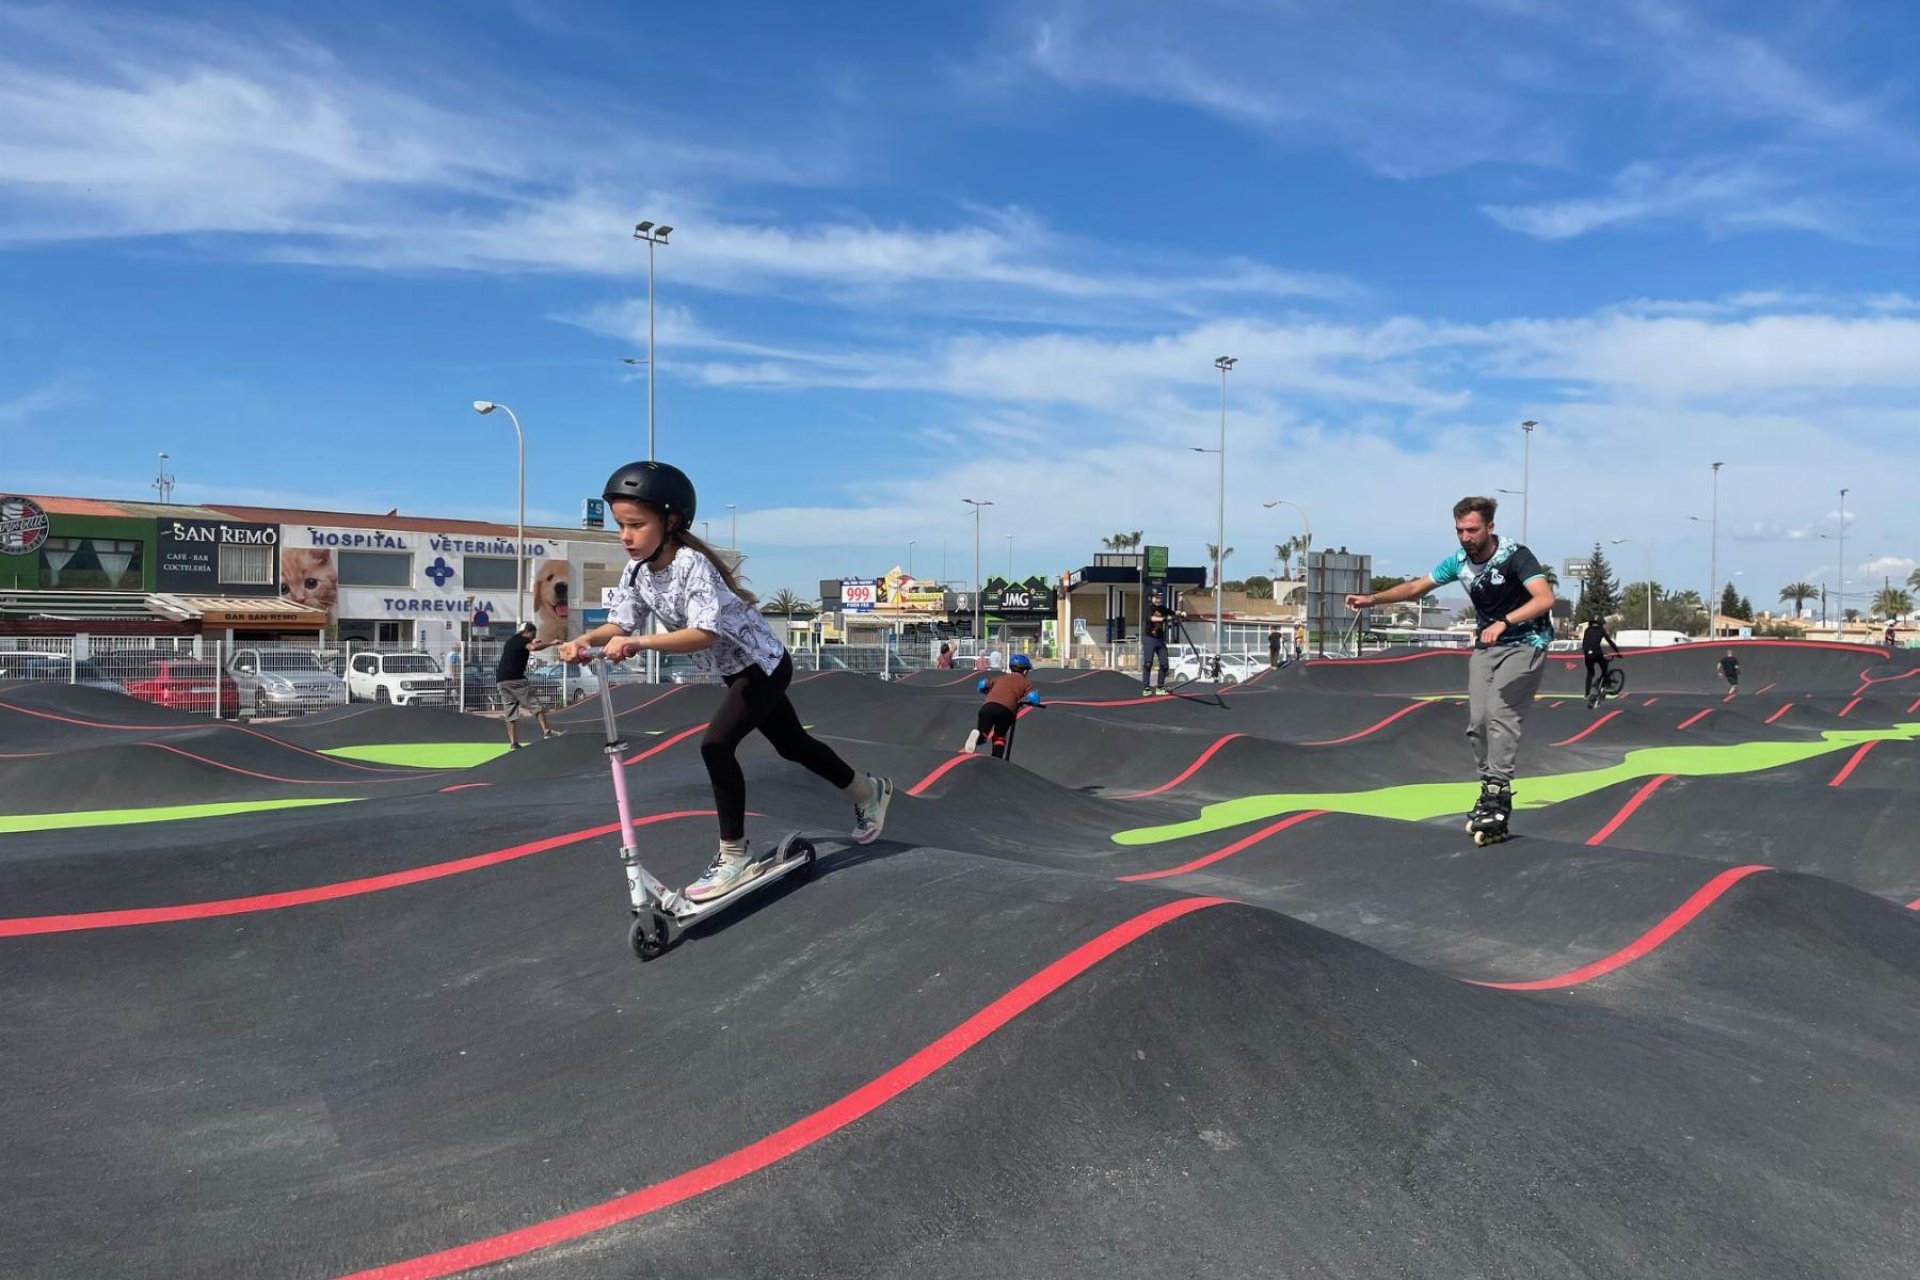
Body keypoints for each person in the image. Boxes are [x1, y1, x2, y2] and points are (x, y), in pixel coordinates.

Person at [558, 461, 893, 904]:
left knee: (715, 745)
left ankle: (734, 854)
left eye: (636, 525)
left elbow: (704, 633)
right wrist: (583, 638)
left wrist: (640, 642)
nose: (625, 536)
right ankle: (869, 792)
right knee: (792, 745)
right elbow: (620, 622)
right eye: (621, 525)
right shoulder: (637, 572)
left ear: (671, 520)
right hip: (737, 671)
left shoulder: (692, 565)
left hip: (764, 664)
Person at [1343, 496, 1555, 841]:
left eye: (1472, 530)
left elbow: (1544, 598)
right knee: (1478, 722)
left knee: (1501, 715)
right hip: (1487, 647)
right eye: (1459, 530)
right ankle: (1490, 789)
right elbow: (1415, 588)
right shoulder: (1458, 562)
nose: (1465, 537)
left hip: (1526, 644)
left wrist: (1504, 621)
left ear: (1490, 527)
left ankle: (1499, 791)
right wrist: (1372, 599)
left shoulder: (1516, 556)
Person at [964, 652, 1042, 757]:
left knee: (983, 733)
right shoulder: (1025, 682)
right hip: (1006, 711)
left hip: (988, 706)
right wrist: (1033, 703)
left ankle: (978, 735)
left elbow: (982, 684)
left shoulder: (1000, 678)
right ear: (1025, 671)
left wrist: (987, 692)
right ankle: (997, 758)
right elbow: (1034, 698)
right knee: (999, 736)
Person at [495, 622, 559, 749]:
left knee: (510, 712)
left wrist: (534, 641)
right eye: (533, 634)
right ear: (528, 631)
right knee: (535, 705)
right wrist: (552, 643)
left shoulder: (512, 640)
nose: (533, 637)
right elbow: (533, 648)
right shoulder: (524, 640)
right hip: (516, 679)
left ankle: (513, 743)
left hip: (501, 680)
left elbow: (526, 645)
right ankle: (547, 732)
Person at [1141, 593, 1185, 696]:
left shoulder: (1162, 609)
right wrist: (1164, 619)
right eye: (1155, 597)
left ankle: (1160, 687)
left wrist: (1182, 613)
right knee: (1148, 663)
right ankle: (1146, 687)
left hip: (1160, 640)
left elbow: (1173, 612)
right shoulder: (1149, 608)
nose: (1158, 600)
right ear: (1152, 598)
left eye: (1159, 598)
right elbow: (1151, 618)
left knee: (1164, 665)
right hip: (1149, 639)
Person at [1581, 617, 1623, 702]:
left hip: (1587, 655)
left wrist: (1586, 653)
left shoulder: (1587, 630)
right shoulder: (1601, 630)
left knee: (1590, 673)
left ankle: (1586, 694)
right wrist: (1617, 651)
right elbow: (1609, 641)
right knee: (1604, 668)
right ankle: (1607, 685)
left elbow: (1584, 643)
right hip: (1597, 653)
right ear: (1600, 623)